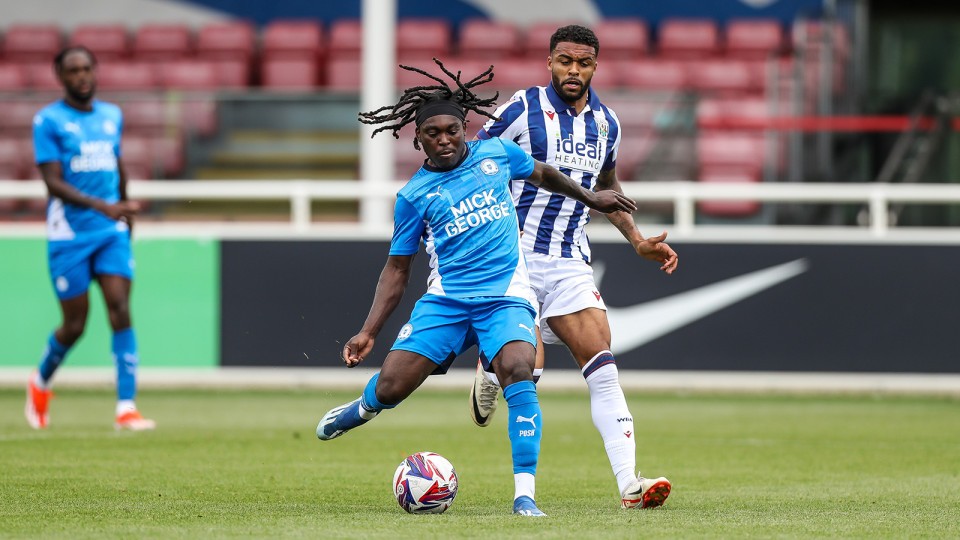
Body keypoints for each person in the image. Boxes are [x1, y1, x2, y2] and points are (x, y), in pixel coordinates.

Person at [315, 60, 637, 517]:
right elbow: (396, 269)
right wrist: (368, 331)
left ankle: (524, 496)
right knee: (391, 387)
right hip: (446, 302)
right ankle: (361, 410)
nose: (444, 139)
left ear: (465, 128)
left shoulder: (497, 156)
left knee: (520, 369)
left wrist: (591, 198)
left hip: (506, 298)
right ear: (418, 138)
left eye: (452, 130)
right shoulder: (414, 196)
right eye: (433, 134)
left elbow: (543, 173)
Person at [467, 25, 679, 509]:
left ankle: (631, 485)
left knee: (603, 364)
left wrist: (638, 240)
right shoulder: (522, 108)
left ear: (595, 66)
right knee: (528, 371)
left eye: (583, 63)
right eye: (565, 61)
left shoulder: (607, 123)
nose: (573, 70)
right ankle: (493, 368)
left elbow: (607, 185)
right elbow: (474, 157)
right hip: (512, 255)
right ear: (550, 62)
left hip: (568, 259)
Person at [25, 46, 155, 431]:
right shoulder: (47, 121)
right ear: (60, 77)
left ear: (95, 72)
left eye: (86, 69)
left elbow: (116, 165)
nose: (81, 76)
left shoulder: (111, 114)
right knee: (75, 324)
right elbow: (52, 183)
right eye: (73, 71)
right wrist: (104, 207)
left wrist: (124, 210)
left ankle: (126, 407)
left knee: (120, 308)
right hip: (69, 235)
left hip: (110, 230)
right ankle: (41, 380)